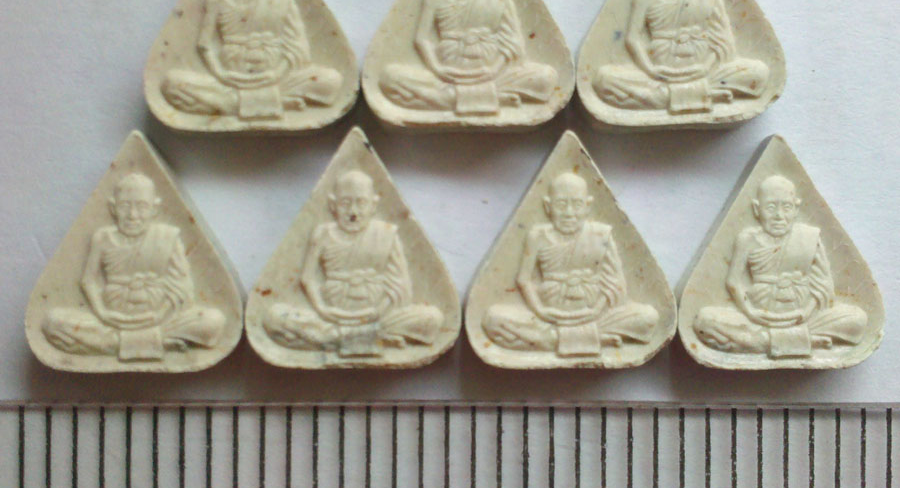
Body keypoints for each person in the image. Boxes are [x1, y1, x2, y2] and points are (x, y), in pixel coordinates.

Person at [43, 174, 225, 361]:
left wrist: (159, 315)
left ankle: (117, 344)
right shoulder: (103, 238)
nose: (133, 215)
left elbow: (183, 286)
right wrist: (102, 313)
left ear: (155, 209)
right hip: (112, 320)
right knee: (54, 323)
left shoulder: (167, 237)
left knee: (213, 321)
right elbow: (88, 280)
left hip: (160, 319)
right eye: (125, 206)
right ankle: (159, 343)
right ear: (113, 208)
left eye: (142, 207)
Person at [162, 0, 342, 119]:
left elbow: (298, 47)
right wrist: (220, 74)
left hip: (276, 79)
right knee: (172, 83)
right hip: (229, 81)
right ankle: (275, 102)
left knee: (331, 81)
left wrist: (276, 74)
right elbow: (204, 45)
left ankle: (233, 104)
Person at [264, 171, 442, 357]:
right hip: (331, 316)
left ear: (373, 205)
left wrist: (378, 311)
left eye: (361, 203)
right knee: (274, 316)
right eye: (345, 203)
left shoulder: (386, 234)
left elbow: (400, 284)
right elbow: (307, 278)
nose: (353, 212)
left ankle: (334, 338)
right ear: (333, 205)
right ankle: (368, 336)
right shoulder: (323, 234)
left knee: (432, 318)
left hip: (379, 316)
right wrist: (322, 309)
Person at [380, 0, 557, 115]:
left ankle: (451, 99)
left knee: (546, 77)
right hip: (446, 75)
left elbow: (513, 42)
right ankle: (493, 98)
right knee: (389, 77)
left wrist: (493, 70)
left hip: (492, 74)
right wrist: (437, 69)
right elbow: (422, 39)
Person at [484, 173, 658, 356]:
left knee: (648, 317)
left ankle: (552, 340)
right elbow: (523, 279)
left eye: (577, 205)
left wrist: (596, 310)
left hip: (594, 316)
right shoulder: (538, 236)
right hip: (549, 317)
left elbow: (616, 283)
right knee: (493, 319)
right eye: (561, 205)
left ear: (588, 206)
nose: (569, 213)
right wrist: (540, 311)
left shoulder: (600, 234)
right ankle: (594, 339)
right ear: (548, 206)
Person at [595, 0, 768, 113]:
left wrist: (705, 68)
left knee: (759, 73)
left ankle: (672, 97)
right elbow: (633, 38)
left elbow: (723, 41)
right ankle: (704, 95)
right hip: (659, 75)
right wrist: (650, 69)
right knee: (604, 79)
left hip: (704, 72)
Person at [693, 175, 867, 357]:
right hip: (758, 319)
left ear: (796, 209)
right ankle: (804, 340)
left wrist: (806, 312)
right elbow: (733, 281)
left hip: (803, 318)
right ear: (757, 209)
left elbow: (823, 285)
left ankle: (762, 343)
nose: (779, 216)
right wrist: (750, 312)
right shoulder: (747, 239)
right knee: (705, 320)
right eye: (770, 208)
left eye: (787, 207)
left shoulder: (808, 237)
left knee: (857, 319)